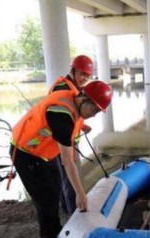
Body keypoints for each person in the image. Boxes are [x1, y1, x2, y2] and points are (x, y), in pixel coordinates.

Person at [10, 80, 112, 238]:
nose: (94, 115)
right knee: (46, 198)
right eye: (94, 110)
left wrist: (82, 125)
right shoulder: (61, 114)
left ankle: (56, 232)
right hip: (26, 153)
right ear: (84, 99)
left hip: (43, 153)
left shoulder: (73, 102)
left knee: (54, 190)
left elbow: (72, 123)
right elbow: (67, 160)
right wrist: (80, 193)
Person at [49, 55, 95, 215]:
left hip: (66, 139)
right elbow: (62, 118)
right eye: (82, 74)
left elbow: (73, 115)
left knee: (65, 179)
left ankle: (67, 209)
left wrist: (82, 126)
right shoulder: (62, 88)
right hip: (60, 142)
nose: (84, 78)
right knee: (69, 180)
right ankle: (75, 215)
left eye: (87, 76)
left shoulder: (73, 87)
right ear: (73, 70)